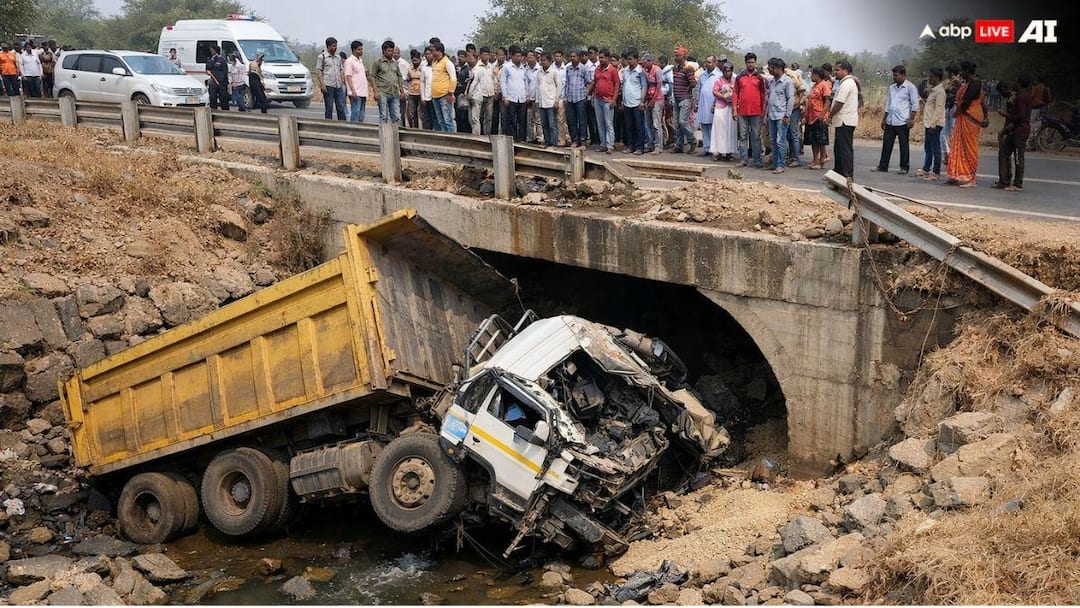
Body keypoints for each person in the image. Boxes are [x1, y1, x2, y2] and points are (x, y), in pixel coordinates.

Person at [873, 65, 920, 174]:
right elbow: (888, 104)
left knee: (903, 145)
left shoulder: (910, 87)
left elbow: (915, 104)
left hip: (903, 121)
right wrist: (884, 118)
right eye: (893, 75)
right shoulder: (892, 87)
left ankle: (904, 167)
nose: (894, 77)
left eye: (896, 75)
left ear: (903, 75)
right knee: (886, 144)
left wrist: (911, 119)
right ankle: (883, 166)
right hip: (891, 120)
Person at [945, 60, 985, 188]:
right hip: (963, 117)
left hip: (970, 118)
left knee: (969, 148)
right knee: (958, 145)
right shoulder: (967, 83)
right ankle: (956, 175)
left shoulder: (975, 83)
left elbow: (967, 101)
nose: (960, 73)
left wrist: (957, 112)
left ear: (967, 71)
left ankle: (970, 178)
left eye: (962, 71)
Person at [994, 76, 1031, 192]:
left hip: (1019, 129)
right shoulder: (1025, 96)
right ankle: (1004, 181)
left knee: (1018, 157)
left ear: (1019, 83)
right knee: (1004, 152)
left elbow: (1021, 116)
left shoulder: (1020, 98)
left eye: (1016, 82)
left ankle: (1017, 183)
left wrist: (1007, 116)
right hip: (1015, 129)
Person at [824, 60, 858, 178]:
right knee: (838, 148)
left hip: (845, 121)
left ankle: (846, 175)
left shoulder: (847, 83)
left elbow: (839, 103)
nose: (835, 72)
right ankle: (838, 173)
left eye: (838, 70)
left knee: (844, 149)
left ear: (845, 71)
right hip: (842, 121)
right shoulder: (843, 83)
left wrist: (830, 115)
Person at [733, 52, 766, 168]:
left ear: (755, 63)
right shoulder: (740, 77)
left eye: (752, 62)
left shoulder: (760, 78)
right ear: (745, 63)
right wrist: (734, 109)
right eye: (748, 62)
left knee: (756, 137)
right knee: (742, 137)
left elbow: (763, 95)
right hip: (742, 112)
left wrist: (763, 112)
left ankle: (757, 160)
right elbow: (735, 92)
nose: (750, 64)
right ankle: (743, 159)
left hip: (756, 112)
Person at [765, 58, 794, 174]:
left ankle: (781, 165)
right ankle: (775, 163)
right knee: (773, 140)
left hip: (781, 115)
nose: (770, 70)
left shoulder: (787, 82)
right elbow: (769, 99)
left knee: (780, 141)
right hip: (771, 114)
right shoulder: (771, 81)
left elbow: (790, 99)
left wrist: (787, 115)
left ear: (779, 68)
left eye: (772, 68)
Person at [917, 68, 945, 180]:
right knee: (928, 148)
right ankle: (926, 169)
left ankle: (936, 172)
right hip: (928, 123)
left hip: (934, 124)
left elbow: (939, 109)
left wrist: (933, 124)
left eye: (931, 77)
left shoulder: (940, 92)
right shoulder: (933, 90)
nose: (929, 79)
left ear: (937, 78)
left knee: (935, 148)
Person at [590, 49, 620, 154]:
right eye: (599, 58)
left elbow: (617, 84)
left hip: (608, 100)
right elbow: (595, 82)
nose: (600, 60)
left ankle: (610, 145)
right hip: (598, 99)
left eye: (602, 57)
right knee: (600, 123)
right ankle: (603, 144)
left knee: (608, 123)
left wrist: (614, 99)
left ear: (607, 58)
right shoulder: (597, 69)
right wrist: (592, 95)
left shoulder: (613, 70)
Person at [801, 67, 831, 169]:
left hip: (819, 116)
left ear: (817, 75)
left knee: (821, 141)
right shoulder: (814, 86)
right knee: (814, 140)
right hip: (811, 117)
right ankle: (815, 160)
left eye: (812, 74)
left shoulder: (824, 85)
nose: (811, 76)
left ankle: (821, 161)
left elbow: (827, 100)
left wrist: (822, 114)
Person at [499, 45, 530, 141]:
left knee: (522, 120)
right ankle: (512, 140)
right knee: (512, 120)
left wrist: (527, 95)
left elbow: (525, 82)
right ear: (511, 56)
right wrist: (505, 96)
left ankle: (522, 139)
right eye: (516, 56)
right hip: (511, 98)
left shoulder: (523, 68)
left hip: (521, 97)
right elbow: (503, 81)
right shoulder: (507, 67)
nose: (518, 58)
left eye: (520, 56)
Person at [620, 50, 647, 154]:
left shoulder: (640, 72)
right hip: (627, 102)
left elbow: (644, 86)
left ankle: (640, 147)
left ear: (636, 59)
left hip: (637, 102)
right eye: (628, 59)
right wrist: (623, 101)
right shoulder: (625, 71)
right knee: (628, 126)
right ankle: (630, 146)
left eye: (631, 59)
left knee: (639, 126)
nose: (629, 61)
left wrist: (642, 101)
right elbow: (624, 86)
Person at [670, 46, 697, 153]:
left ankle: (692, 139)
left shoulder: (688, 69)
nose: (676, 57)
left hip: (685, 98)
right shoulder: (675, 68)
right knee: (676, 123)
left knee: (683, 121)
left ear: (684, 56)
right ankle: (679, 145)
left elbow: (693, 83)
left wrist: (687, 90)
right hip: (676, 98)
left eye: (678, 55)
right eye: (675, 55)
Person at [563, 50, 591, 148]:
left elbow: (589, 82)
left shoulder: (584, 69)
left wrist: (586, 94)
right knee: (571, 120)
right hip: (570, 98)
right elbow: (566, 83)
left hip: (580, 98)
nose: (572, 58)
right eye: (571, 56)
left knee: (582, 120)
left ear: (579, 57)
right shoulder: (568, 69)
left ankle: (583, 140)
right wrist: (565, 96)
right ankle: (574, 140)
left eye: (574, 56)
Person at [372, 40, 403, 124]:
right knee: (384, 116)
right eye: (389, 51)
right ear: (384, 51)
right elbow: (373, 77)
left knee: (396, 116)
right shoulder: (377, 62)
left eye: (392, 51)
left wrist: (402, 91)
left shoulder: (395, 63)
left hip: (394, 93)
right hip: (383, 93)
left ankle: (395, 136)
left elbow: (399, 76)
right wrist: (375, 92)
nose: (391, 53)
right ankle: (384, 136)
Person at [710, 62, 737, 161]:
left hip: (731, 108)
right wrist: (723, 97)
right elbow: (714, 91)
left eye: (729, 71)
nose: (727, 73)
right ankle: (719, 152)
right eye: (725, 71)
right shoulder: (719, 81)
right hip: (721, 107)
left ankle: (729, 152)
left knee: (730, 130)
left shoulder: (735, 81)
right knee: (720, 130)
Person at [536, 52, 563, 148]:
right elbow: (538, 87)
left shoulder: (554, 72)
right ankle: (546, 142)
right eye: (541, 60)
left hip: (551, 102)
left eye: (544, 60)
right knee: (544, 124)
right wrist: (537, 100)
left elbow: (559, 85)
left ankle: (554, 143)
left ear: (550, 61)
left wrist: (556, 100)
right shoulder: (539, 72)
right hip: (542, 102)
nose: (542, 62)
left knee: (552, 125)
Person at [693, 55, 718, 157]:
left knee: (713, 127)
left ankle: (714, 149)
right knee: (704, 126)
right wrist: (696, 102)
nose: (707, 64)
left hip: (713, 106)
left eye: (709, 62)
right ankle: (706, 148)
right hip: (703, 105)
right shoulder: (703, 75)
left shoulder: (718, 75)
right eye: (706, 62)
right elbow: (698, 89)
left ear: (715, 63)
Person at [316, 37, 346, 120]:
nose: (335, 48)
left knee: (341, 107)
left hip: (338, 85)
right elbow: (319, 71)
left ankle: (343, 125)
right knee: (329, 107)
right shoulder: (322, 57)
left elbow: (341, 69)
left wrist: (342, 81)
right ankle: (328, 125)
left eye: (336, 46)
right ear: (328, 46)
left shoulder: (338, 57)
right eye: (333, 46)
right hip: (328, 85)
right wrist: (322, 84)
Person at [429, 43, 457, 132]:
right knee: (440, 121)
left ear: (439, 51)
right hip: (435, 96)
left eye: (433, 51)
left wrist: (450, 93)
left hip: (445, 95)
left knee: (448, 120)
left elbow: (453, 79)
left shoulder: (447, 63)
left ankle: (452, 140)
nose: (432, 53)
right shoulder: (434, 62)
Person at [783, 63, 807, 166]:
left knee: (793, 133)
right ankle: (792, 156)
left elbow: (801, 90)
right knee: (788, 135)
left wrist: (799, 103)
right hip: (786, 108)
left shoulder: (792, 76)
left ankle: (796, 159)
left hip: (794, 108)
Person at [468, 47, 496, 135]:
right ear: (480, 55)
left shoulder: (491, 67)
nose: (486, 56)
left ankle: (487, 135)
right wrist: (470, 95)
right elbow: (473, 82)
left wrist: (495, 89)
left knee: (489, 118)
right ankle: (477, 136)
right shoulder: (476, 68)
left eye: (487, 54)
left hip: (490, 94)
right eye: (484, 54)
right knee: (476, 118)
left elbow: (494, 79)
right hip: (478, 95)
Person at [642, 53, 663, 154]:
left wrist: (654, 100)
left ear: (650, 61)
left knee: (656, 124)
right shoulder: (645, 71)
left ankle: (658, 146)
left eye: (646, 62)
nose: (644, 64)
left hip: (657, 99)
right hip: (648, 98)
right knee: (647, 123)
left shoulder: (657, 70)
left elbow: (659, 85)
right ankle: (650, 144)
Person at [344, 40, 368, 123]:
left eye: (361, 49)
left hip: (363, 92)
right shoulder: (349, 61)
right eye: (359, 49)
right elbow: (348, 76)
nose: (361, 51)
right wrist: (353, 90)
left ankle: (360, 131)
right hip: (356, 92)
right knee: (355, 112)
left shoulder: (360, 61)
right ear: (353, 50)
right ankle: (353, 130)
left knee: (361, 114)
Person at [941, 63, 961, 162]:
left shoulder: (958, 82)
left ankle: (950, 154)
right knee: (946, 132)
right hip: (947, 107)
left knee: (949, 132)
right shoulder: (948, 82)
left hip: (953, 108)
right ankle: (948, 153)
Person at [204, 45, 229, 110]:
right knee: (212, 98)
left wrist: (220, 80)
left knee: (223, 98)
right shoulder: (209, 59)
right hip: (213, 82)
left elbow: (224, 71)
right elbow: (207, 68)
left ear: (215, 50)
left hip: (221, 82)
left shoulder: (222, 60)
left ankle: (225, 112)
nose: (211, 51)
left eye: (212, 50)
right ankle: (213, 111)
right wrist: (208, 71)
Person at [1029, 75, 1051, 150]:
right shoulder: (1046, 88)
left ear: (1038, 80)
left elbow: (1031, 96)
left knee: (1033, 125)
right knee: (1043, 125)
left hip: (1035, 108)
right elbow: (1049, 99)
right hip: (1044, 108)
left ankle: (1032, 144)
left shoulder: (1035, 87)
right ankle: (1042, 143)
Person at [405, 49, 423, 128]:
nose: (414, 61)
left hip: (421, 93)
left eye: (416, 59)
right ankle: (414, 129)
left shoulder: (423, 68)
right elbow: (407, 79)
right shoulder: (409, 67)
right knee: (412, 113)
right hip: (412, 93)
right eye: (413, 59)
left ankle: (422, 130)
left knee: (421, 114)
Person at [455, 49, 472, 132]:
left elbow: (469, 81)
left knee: (465, 115)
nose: (460, 58)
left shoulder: (467, 69)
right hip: (456, 95)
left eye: (462, 57)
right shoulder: (455, 68)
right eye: (459, 56)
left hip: (465, 95)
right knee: (458, 116)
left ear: (465, 58)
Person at [420, 47, 435, 129]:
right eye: (426, 54)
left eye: (429, 54)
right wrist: (422, 97)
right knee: (427, 118)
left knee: (436, 117)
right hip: (427, 96)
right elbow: (422, 82)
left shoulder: (437, 65)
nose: (427, 56)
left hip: (436, 95)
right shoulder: (424, 67)